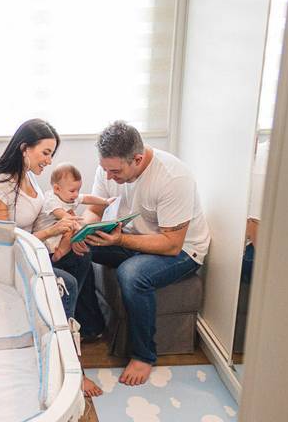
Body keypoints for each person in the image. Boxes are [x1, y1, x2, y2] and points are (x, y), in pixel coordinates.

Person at [73, 121, 210, 387]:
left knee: (132, 274)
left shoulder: (172, 178)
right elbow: (96, 209)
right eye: (105, 170)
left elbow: (171, 244)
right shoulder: (109, 167)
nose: (109, 176)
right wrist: (85, 228)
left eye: (115, 171)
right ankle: (91, 325)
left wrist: (121, 239)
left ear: (137, 159)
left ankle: (144, 355)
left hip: (182, 250)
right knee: (77, 249)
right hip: (132, 237)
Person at [0, 118, 103, 397]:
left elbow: (38, 221)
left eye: (51, 154)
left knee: (83, 258)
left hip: (37, 253)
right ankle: (71, 369)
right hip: (15, 264)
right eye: (45, 152)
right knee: (66, 284)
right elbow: (0, 245)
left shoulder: (29, 177)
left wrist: (68, 237)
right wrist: (52, 232)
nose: (49, 160)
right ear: (25, 148)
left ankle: (77, 330)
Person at [33, 162, 110, 254]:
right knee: (70, 230)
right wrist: (79, 227)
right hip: (46, 233)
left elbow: (87, 198)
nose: (76, 194)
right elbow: (63, 215)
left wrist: (105, 201)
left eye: (78, 190)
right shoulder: (51, 200)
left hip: (60, 228)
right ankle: (60, 252)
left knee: (69, 232)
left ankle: (62, 251)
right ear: (57, 189)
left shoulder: (71, 196)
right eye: (72, 191)